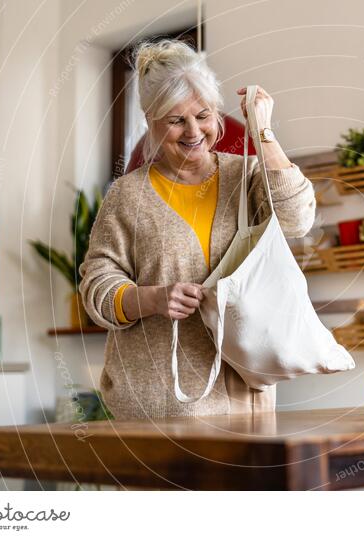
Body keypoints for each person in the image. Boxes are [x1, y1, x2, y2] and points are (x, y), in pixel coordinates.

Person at [79, 39, 315, 419]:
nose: (193, 131)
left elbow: (297, 219)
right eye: (175, 120)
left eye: (203, 115)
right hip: (155, 409)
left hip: (242, 405)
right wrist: (152, 299)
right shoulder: (128, 195)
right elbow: (97, 290)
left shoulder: (247, 175)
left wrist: (264, 132)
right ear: (151, 121)